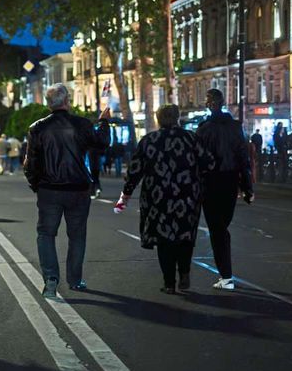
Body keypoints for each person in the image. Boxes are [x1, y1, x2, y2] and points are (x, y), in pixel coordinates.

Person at [115, 105, 215, 293]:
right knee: (185, 235)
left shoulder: (149, 140)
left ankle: (169, 283)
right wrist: (197, 179)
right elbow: (209, 162)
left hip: (157, 198)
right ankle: (184, 272)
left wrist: (127, 191)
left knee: (164, 239)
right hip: (187, 197)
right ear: (177, 118)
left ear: (159, 119)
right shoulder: (191, 138)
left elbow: (135, 170)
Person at [24, 83, 110, 297]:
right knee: (77, 235)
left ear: (48, 104)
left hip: (49, 189)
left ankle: (51, 278)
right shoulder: (82, 124)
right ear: (67, 101)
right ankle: (75, 279)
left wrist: (37, 185)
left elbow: (31, 163)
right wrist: (104, 122)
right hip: (78, 188)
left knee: (46, 234)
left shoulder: (38, 128)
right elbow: (102, 144)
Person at [196, 89, 253, 290]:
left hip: (210, 181)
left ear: (211, 103)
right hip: (230, 181)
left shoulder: (203, 130)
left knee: (216, 228)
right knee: (222, 226)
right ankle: (226, 274)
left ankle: (226, 275)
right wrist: (247, 187)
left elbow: (198, 159)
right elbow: (243, 159)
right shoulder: (236, 128)